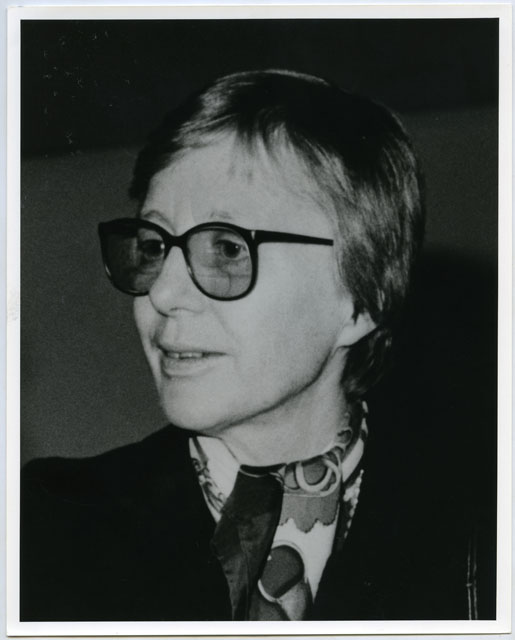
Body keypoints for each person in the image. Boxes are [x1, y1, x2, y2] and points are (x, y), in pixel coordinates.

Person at [20, 69, 495, 621]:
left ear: (360, 301)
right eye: (153, 246)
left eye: (227, 249)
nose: (163, 293)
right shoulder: (41, 527)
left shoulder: (481, 530)